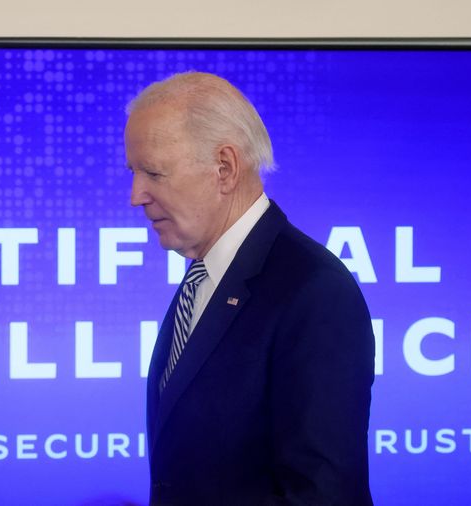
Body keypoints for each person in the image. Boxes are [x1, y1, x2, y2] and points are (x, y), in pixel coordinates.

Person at [125, 71, 375, 505]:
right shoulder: (206, 273)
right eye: (133, 172)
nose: (136, 195)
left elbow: (324, 492)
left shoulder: (313, 291)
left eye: (153, 172)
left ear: (224, 168)